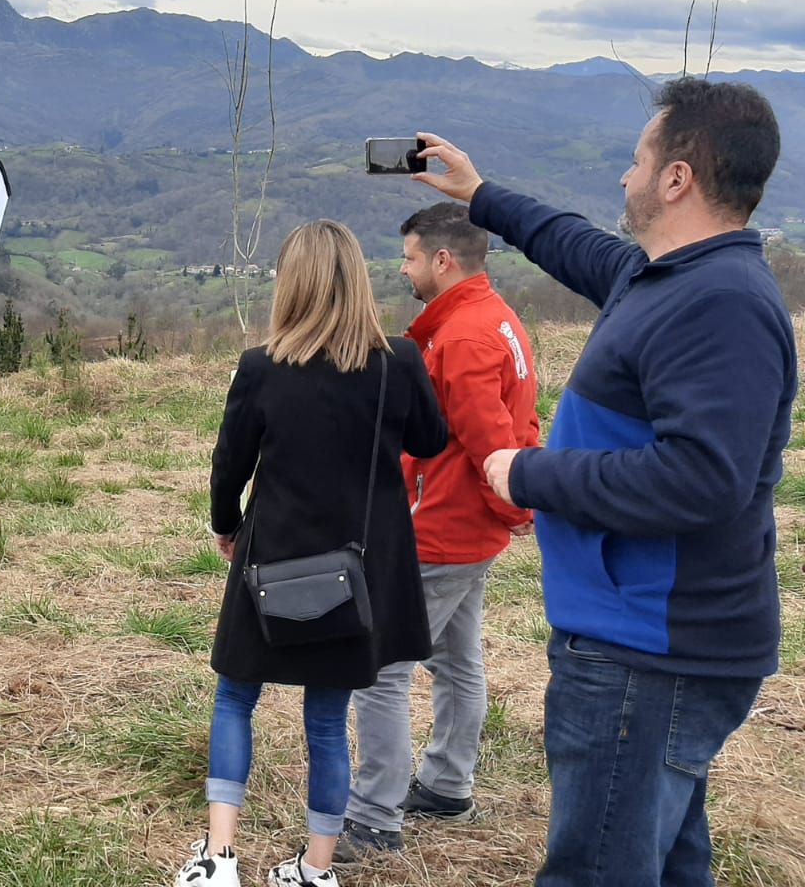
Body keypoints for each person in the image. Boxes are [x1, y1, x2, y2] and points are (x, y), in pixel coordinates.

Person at [414, 77, 796, 886]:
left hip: (651, 653)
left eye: (635, 161)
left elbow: (702, 480)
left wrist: (532, 473)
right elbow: (573, 242)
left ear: (677, 178)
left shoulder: (720, 303)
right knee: (662, 859)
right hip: (639, 644)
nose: (624, 179)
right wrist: (480, 194)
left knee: (598, 870)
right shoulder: (664, 278)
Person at [178, 220, 448, 887]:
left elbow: (229, 466)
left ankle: (218, 859)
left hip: (271, 561)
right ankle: (317, 870)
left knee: (236, 697)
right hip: (356, 571)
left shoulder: (262, 367)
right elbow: (434, 440)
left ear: (290, 284)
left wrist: (225, 525)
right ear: (357, 279)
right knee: (328, 717)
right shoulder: (399, 363)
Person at [337, 203, 539, 861]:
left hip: (444, 531)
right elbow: (517, 428)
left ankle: (372, 820)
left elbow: (493, 446)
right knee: (457, 660)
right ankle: (448, 784)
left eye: (411, 257)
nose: (404, 268)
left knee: (382, 670)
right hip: (466, 530)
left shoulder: (462, 338)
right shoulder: (497, 319)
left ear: (443, 260)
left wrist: (512, 511)